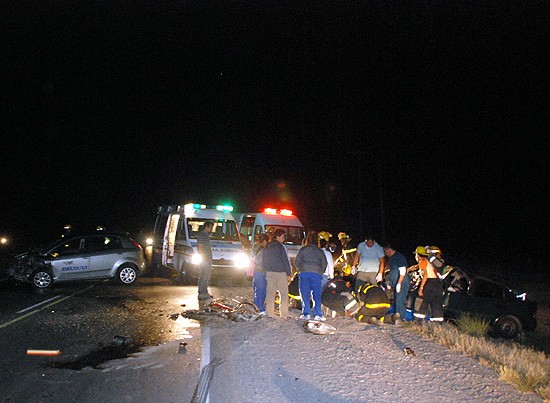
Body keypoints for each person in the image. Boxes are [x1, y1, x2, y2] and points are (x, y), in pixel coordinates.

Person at [295, 231, 328, 321]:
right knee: (316, 294)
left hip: (304, 273)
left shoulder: (303, 249)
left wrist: (300, 269)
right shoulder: (319, 250)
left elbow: (297, 261)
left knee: (305, 294)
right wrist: (320, 272)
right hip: (316, 273)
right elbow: (324, 263)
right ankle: (318, 314)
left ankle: (306, 313)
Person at [262, 228, 293, 318]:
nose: (284, 239)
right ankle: (284, 314)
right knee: (283, 294)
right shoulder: (280, 247)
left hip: (270, 273)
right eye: (283, 237)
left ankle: (270, 313)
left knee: (270, 294)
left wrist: (266, 270)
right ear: (278, 236)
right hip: (281, 273)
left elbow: (264, 261)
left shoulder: (267, 246)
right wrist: (289, 273)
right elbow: (285, 260)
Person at [414, 245, 445, 323]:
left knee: (421, 303)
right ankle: (438, 324)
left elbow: (425, 275)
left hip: (429, 284)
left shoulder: (427, 261)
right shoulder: (435, 262)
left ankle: (418, 322)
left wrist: (421, 288)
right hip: (438, 285)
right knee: (436, 305)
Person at [382, 242, 410, 323]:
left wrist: (399, 283)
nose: (385, 253)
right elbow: (393, 271)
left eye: (385, 251)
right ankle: (397, 319)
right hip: (396, 283)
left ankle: (401, 320)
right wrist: (390, 283)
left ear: (389, 249)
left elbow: (403, 271)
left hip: (402, 283)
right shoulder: (392, 258)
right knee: (397, 301)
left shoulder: (398, 257)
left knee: (400, 301)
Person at [251, 233, 269, 315]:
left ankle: (256, 306)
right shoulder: (262, 250)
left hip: (255, 271)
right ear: (264, 241)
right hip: (261, 271)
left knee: (256, 289)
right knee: (261, 290)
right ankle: (260, 308)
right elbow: (260, 262)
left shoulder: (254, 247)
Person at [197, 221, 215, 301]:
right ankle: (202, 293)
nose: (211, 229)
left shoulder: (205, 235)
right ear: (207, 227)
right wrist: (204, 258)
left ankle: (205, 292)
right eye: (211, 227)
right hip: (205, 260)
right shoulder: (202, 235)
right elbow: (200, 247)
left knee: (206, 276)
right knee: (204, 276)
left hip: (207, 259)